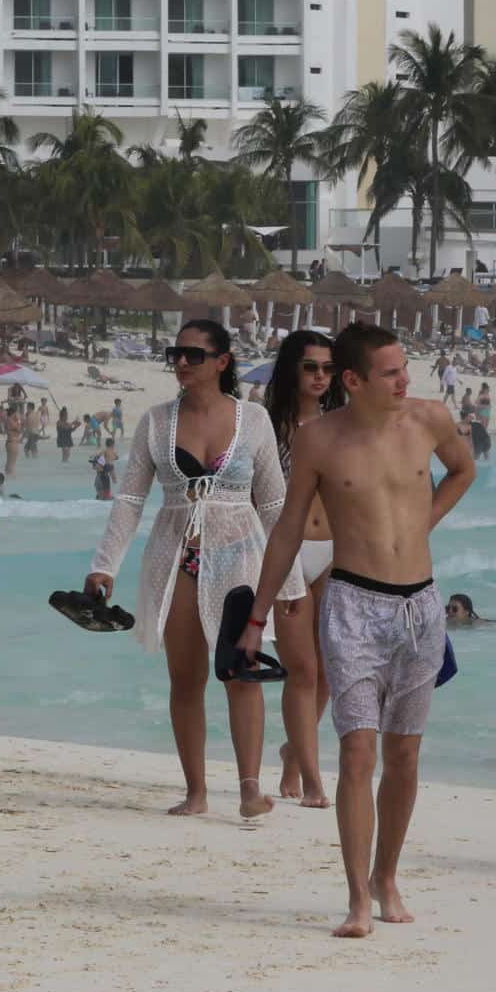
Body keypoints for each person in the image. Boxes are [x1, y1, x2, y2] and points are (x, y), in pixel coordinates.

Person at [239, 321, 473, 938]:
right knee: (358, 750)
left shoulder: (429, 419)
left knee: (404, 754)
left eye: (405, 367)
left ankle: (386, 876)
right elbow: (289, 528)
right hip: (353, 605)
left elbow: (463, 470)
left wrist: (425, 523)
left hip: (420, 607)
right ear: (354, 380)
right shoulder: (320, 440)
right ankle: (356, 899)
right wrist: (257, 615)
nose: (405, 379)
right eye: (391, 372)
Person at [86, 320, 303, 817]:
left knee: (241, 673)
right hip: (174, 556)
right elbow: (131, 499)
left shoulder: (254, 421)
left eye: (193, 354)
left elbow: (273, 505)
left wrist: (289, 583)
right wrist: (104, 567)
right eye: (175, 353)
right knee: (185, 680)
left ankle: (250, 788)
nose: (181, 362)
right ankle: (196, 792)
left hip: (240, 556)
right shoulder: (156, 421)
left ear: (223, 362)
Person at [266, 329, 343, 810]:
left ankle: (295, 753)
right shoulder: (267, 425)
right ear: (292, 368)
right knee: (303, 668)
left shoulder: (341, 425)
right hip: (287, 552)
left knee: (329, 673)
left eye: (328, 368)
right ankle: (312, 777)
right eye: (311, 366)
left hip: (334, 552)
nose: (320, 376)